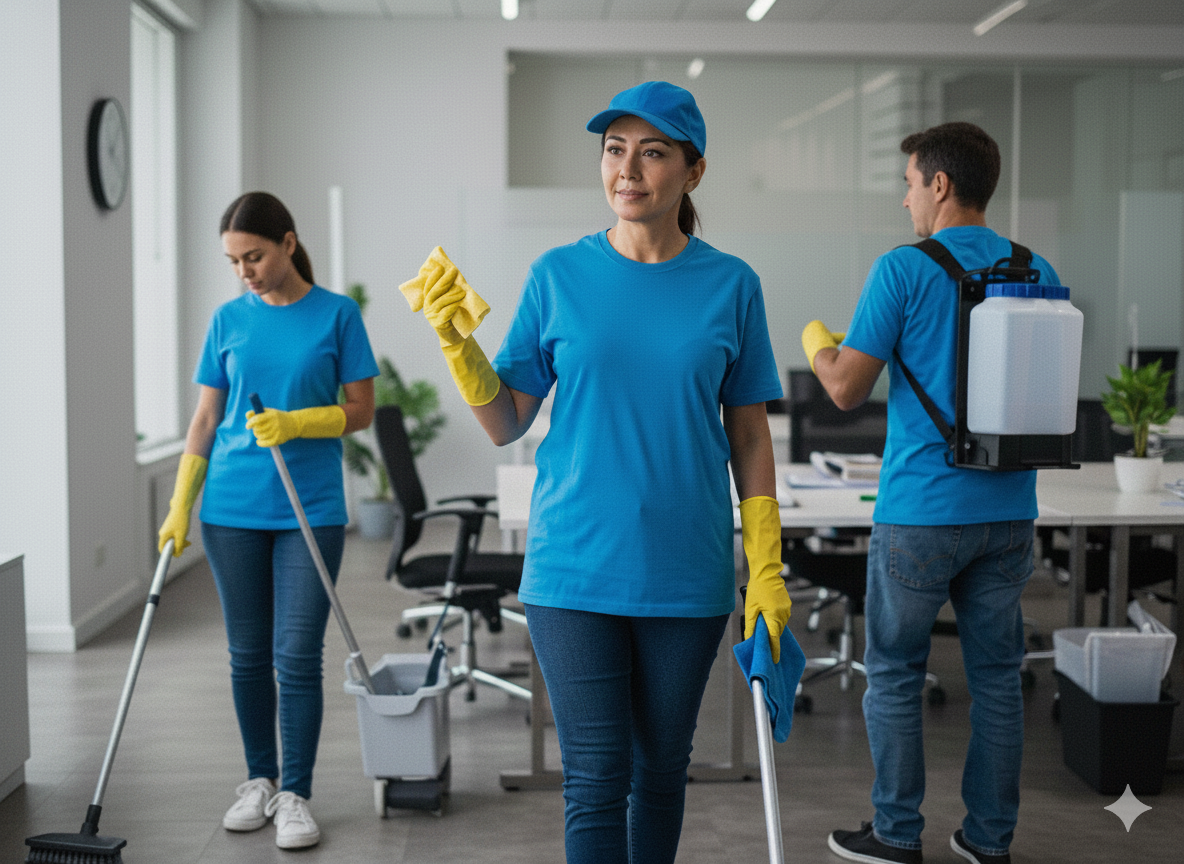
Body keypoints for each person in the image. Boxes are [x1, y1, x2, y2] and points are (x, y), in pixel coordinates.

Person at [400, 81, 792, 864]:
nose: (629, 169)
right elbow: (508, 416)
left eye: (653, 152)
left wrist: (767, 565)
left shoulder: (732, 285)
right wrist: (457, 344)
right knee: (594, 778)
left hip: (686, 570)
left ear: (693, 170)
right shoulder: (558, 276)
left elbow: (749, 435)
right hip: (574, 567)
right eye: (615, 150)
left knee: (660, 772)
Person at [803, 122, 1060, 864]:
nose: (906, 197)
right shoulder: (1034, 267)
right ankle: (988, 841)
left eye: (910, 182)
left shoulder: (903, 269)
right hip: (1009, 511)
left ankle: (896, 834)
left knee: (892, 675)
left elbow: (846, 388)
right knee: (998, 683)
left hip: (921, 512)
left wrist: (818, 343)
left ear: (940, 185)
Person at [157, 191, 378, 850]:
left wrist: (300, 421)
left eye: (253, 255)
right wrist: (180, 502)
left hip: (310, 509)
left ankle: (296, 794)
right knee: (248, 656)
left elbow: (363, 409)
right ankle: (259, 779)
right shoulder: (228, 320)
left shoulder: (338, 315)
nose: (245, 270)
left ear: (287, 242)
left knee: (297, 656)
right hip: (232, 509)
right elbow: (204, 419)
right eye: (233, 261)